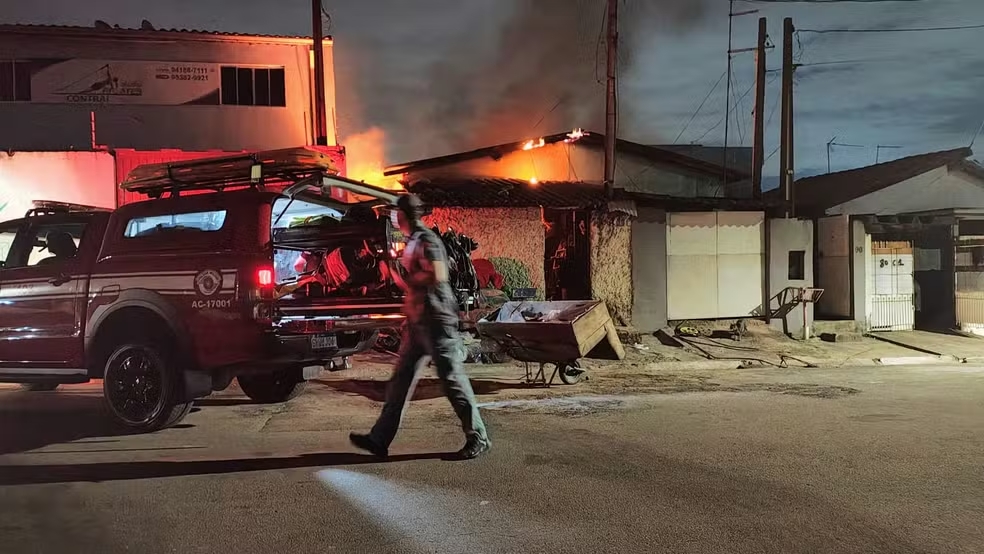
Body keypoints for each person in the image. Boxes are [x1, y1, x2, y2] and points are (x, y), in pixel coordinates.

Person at [349, 194, 491, 460]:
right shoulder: (413, 240)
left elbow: (438, 274)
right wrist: (391, 270)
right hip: (418, 323)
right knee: (400, 381)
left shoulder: (427, 240)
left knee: (452, 380)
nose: (394, 218)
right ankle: (379, 440)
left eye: (396, 213)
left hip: (436, 320)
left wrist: (408, 277)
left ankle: (478, 437)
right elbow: (412, 283)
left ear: (403, 216)